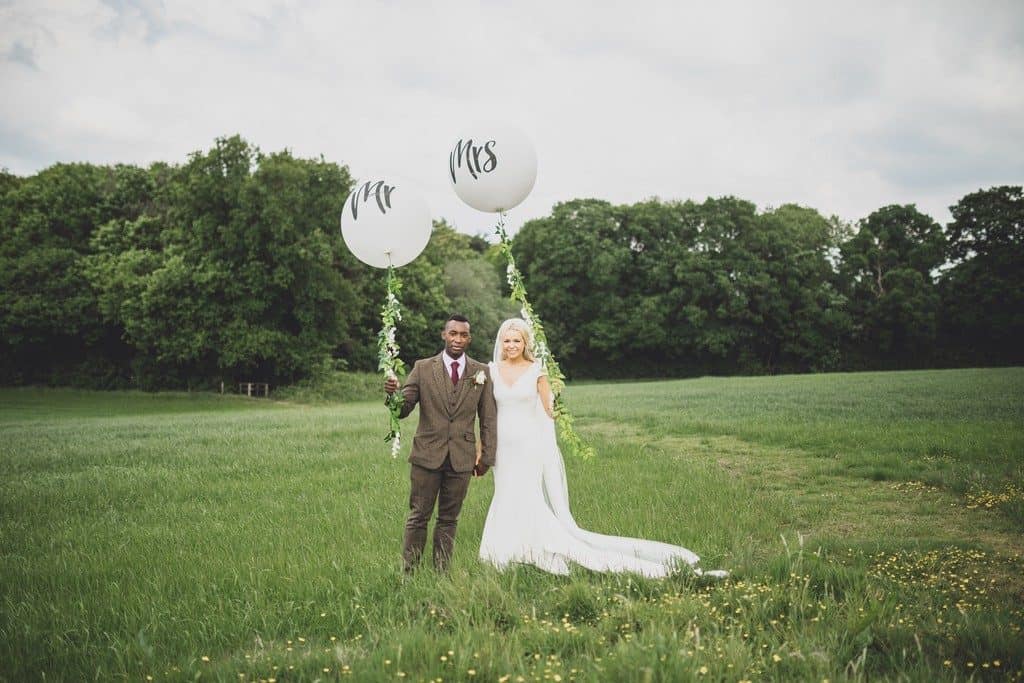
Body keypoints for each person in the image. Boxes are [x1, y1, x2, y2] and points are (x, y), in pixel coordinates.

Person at [479, 318, 727, 578]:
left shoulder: (537, 370)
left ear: (525, 342)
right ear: (501, 342)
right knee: (505, 493)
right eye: (507, 340)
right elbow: (486, 413)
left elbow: (550, 412)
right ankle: (504, 552)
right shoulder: (492, 370)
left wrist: (556, 396)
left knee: (528, 496)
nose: (511, 345)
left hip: (529, 446)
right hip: (502, 447)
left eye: (516, 340)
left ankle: (538, 551)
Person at [385, 314, 497, 573]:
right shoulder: (423, 368)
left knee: (449, 519)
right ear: (443, 335)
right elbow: (403, 409)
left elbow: (488, 418)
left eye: (463, 335)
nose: (458, 339)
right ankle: (409, 573)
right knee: (418, 517)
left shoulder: (482, 372)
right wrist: (392, 395)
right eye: (453, 334)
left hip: (461, 459)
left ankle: (441, 574)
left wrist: (487, 457)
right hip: (427, 456)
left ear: (469, 338)